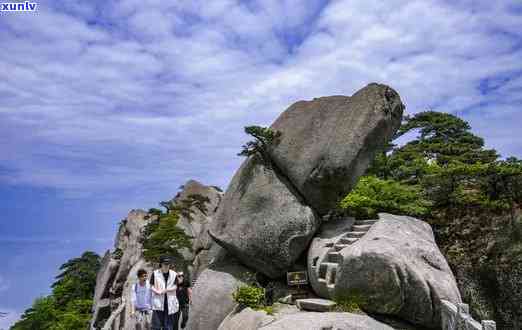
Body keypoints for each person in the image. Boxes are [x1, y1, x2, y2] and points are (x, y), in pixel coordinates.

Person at [150, 256, 179, 330]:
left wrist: (166, 290)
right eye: (164, 264)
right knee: (156, 325)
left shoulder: (174, 274)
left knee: (168, 326)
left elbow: (175, 286)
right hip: (158, 303)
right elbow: (151, 286)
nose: (166, 266)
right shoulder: (155, 273)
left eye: (168, 264)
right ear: (161, 264)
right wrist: (157, 291)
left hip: (170, 303)